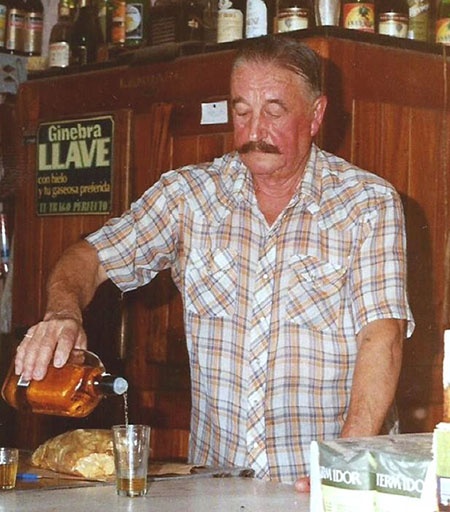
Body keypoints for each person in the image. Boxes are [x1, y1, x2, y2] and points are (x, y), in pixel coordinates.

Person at [14, 36, 414, 490]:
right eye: (241, 111)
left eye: (274, 111)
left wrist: (343, 464)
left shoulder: (366, 203)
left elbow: (382, 339)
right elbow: (88, 258)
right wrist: (62, 313)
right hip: (218, 486)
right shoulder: (190, 197)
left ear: (316, 114)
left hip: (323, 482)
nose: (254, 130)